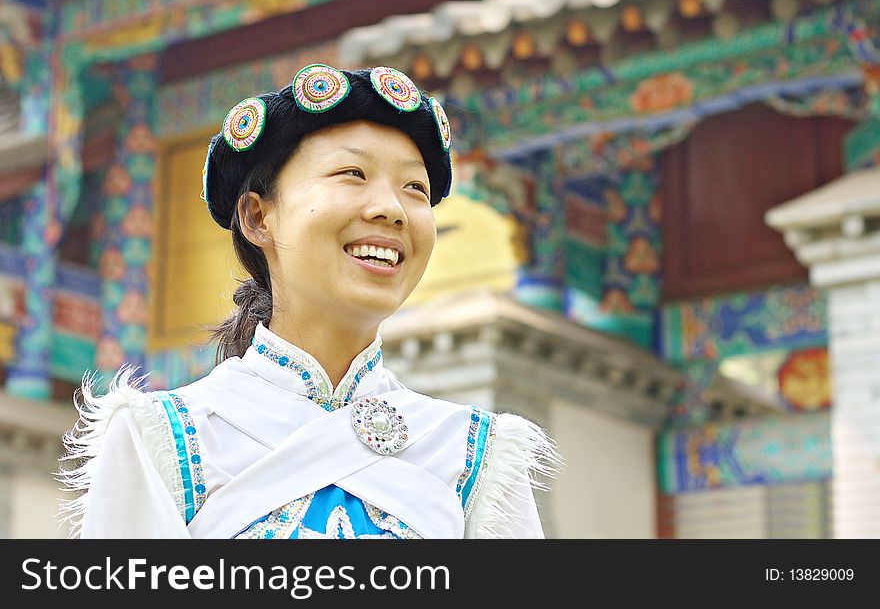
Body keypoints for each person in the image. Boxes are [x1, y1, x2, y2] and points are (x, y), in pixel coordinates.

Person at [59, 64, 559, 539]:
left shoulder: (474, 456)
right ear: (258, 217)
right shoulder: (164, 441)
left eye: (414, 188)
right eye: (352, 174)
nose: (391, 209)